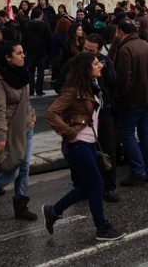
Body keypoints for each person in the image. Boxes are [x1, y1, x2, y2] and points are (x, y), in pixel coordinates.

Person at [43, 52, 125, 241]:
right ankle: (102, 228)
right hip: (77, 144)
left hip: (88, 144)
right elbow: (50, 113)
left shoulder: (92, 87)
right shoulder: (73, 91)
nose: (101, 66)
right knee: (97, 184)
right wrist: (69, 132)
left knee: (87, 187)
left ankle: (53, 211)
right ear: (86, 68)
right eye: (96, 63)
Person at [0, 41, 37, 220]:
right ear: (7, 57)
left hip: (25, 127)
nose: (23, 56)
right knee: (13, 170)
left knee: (25, 167)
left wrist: (32, 117)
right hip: (8, 130)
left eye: (23, 52)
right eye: (18, 53)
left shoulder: (22, 74)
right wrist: (1, 137)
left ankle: (20, 205)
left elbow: (26, 100)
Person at [113, 20, 148, 186]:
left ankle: (138, 170)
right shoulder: (145, 44)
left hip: (132, 99)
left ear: (121, 32)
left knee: (126, 133)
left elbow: (124, 79)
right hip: (147, 96)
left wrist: (118, 99)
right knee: (146, 133)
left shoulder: (125, 49)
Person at [22, 8, 52, 97]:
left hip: (31, 51)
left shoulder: (27, 25)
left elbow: (24, 39)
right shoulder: (44, 25)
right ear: (40, 15)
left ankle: (31, 90)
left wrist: (26, 49)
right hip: (42, 51)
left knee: (31, 72)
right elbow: (50, 38)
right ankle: (39, 90)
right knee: (41, 71)